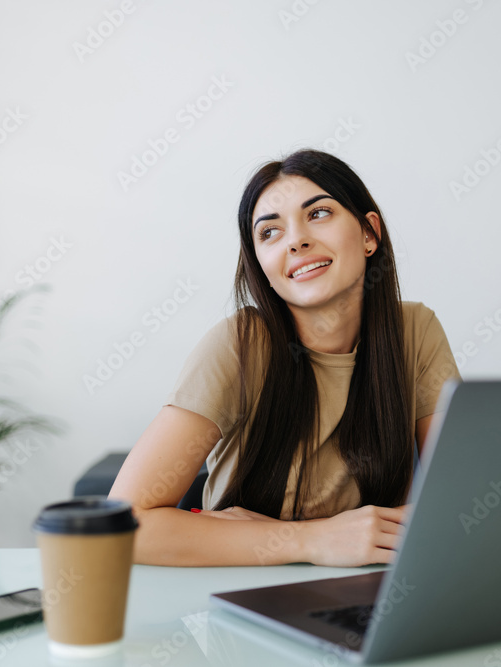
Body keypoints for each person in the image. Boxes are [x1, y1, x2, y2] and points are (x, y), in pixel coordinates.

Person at [109, 149, 461, 568]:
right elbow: (119, 528)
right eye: (270, 233)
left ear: (369, 234)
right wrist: (313, 540)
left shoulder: (414, 332)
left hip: (368, 596)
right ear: (262, 267)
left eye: (319, 214)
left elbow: (461, 504)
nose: (296, 240)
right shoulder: (239, 345)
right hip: (241, 599)